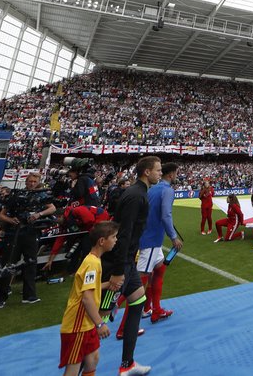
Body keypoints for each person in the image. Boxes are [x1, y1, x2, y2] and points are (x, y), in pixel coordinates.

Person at [99, 155, 162, 376]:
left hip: (128, 262)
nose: (160, 174)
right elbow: (123, 234)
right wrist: (118, 272)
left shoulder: (139, 193)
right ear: (146, 172)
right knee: (100, 318)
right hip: (121, 263)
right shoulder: (136, 196)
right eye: (158, 170)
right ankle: (79, 365)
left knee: (137, 302)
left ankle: (127, 365)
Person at [59, 221, 118, 376]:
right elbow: (87, 299)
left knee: (93, 358)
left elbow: (89, 287)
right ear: (102, 241)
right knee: (74, 366)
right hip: (78, 325)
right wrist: (100, 324)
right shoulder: (92, 263)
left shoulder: (94, 260)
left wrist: (108, 284)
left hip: (86, 322)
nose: (116, 240)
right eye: (113, 237)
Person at [0, 172, 57, 308]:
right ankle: (1, 298)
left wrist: (39, 214)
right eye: (30, 181)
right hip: (14, 232)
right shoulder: (16, 195)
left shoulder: (41, 195)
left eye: (35, 181)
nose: (32, 184)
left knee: (31, 263)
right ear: (26, 181)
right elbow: (1, 215)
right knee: (8, 263)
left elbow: (52, 208)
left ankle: (29, 296)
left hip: (31, 232)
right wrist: (11, 220)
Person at [138, 163, 182, 324]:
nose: (177, 176)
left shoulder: (153, 188)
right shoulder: (167, 190)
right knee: (141, 279)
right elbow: (166, 215)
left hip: (149, 236)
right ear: (171, 175)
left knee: (159, 271)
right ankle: (121, 319)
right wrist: (173, 237)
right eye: (176, 173)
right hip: (151, 239)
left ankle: (154, 310)